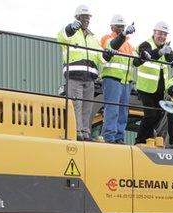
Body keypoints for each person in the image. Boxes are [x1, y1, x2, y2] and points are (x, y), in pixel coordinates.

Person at [58, 4, 104, 141]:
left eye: (88, 18)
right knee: (76, 105)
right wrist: (71, 27)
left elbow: (100, 57)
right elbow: (62, 37)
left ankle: (85, 132)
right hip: (75, 77)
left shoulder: (93, 38)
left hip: (89, 79)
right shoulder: (70, 33)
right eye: (84, 17)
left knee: (87, 107)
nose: (86, 20)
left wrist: (109, 53)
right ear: (77, 18)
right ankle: (77, 132)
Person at [133, 21, 173, 144]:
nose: (162, 37)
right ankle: (140, 140)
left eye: (165, 35)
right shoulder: (145, 44)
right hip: (146, 88)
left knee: (158, 116)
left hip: (159, 90)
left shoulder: (166, 47)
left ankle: (148, 138)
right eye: (160, 33)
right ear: (154, 33)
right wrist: (160, 52)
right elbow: (149, 55)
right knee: (150, 115)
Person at [100, 15, 136, 144]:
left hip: (126, 81)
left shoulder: (129, 44)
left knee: (122, 112)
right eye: (118, 26)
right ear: (112, 27)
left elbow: (135, 61)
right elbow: (112, 46)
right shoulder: (107, 38)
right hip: (112, 78)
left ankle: (119, 137)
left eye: (123, 27)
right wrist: (124, 34)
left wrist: (143, 56)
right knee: (112, 109)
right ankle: (109, 136)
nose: (121, 29)